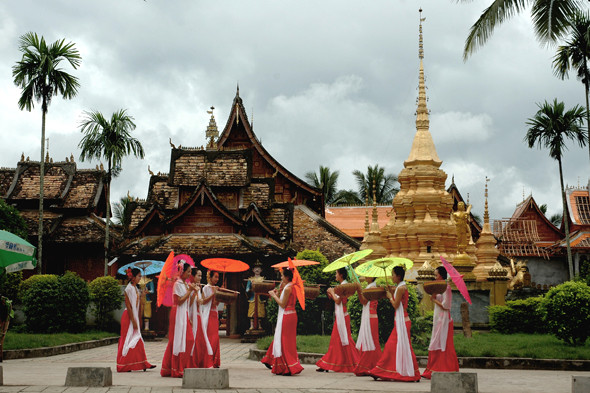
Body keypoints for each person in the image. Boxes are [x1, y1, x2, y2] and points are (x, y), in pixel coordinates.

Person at [369, 266, 420, 382]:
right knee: (398, 347)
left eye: (393, 274)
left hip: (403, 321)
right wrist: (391, 290)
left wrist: (389, 297)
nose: (391, 276)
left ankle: (380, 371)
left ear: (398, 276)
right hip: (401, 321)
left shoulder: (401, 288)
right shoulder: (400, 287)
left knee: (392, 346)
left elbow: (396, 305)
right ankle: (385, 371)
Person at [260, 268, 304, 375]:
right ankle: (287, 364)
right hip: (291, 315)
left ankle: (287, 365)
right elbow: (285, 300)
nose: (281, 277)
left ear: (287, 277)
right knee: (287, 340)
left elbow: (283, 304)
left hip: (287, 316)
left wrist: (274, 296)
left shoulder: (288, 288)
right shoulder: (291, 287)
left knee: (284, 340)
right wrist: (278, 294)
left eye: (282, 275)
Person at [316, 267, 360, 373]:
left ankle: (356, 361)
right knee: (339, 340)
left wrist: (331, 291)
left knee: (341, 339)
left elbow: (338, 301)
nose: (335, 275)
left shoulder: (344, 286)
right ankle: (335, 362)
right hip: (342, 316)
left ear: (341, 275)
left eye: (336, 273)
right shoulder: (343, 286)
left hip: (343, 317)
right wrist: (331, 293)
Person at [421, 266, 459, 379]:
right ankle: (433, 368)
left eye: (436, 275)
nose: (435, 277)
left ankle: (446, 368)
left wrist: (434, 300)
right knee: (436, 342)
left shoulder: (446, 288)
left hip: (444, 320)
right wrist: (433, 296)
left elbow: (446, 305)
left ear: (441, 275)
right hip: (438, 319)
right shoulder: (438, 287)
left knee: (443, 344)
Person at [116, 268, 155, 372]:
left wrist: (142, 296)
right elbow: (129, 306)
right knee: (127, 339)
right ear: (132, 277)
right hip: (128, 316)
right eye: (138, 276)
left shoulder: (135, 289)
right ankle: (123, 363)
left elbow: (138, 304)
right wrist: (133, 320)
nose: (140, 278)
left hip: (133, 316)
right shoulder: (128, 289)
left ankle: (142, 362)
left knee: (137, 338)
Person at [161, 263, 196, 378]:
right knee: (177, 341)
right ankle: (175, 367)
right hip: (177, 313)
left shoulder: (186, 284)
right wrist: (190, 291)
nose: (190, 274)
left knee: (189, 339)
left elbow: (188, 302)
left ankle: (180, 366)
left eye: (191, 272)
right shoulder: (177, 284)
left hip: (184, 312)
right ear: (182, 272)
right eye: (188, 271)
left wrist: (193, 292)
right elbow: (179, 301)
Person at [353, 276, 382, 376]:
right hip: (369, 316)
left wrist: (359, 289)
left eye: (368, 275)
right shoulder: (370, 287)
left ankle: (375, 366)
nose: (365, 276)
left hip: (371, 317)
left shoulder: (372, 288)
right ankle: (372, 366)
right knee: (370, 341)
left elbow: (364, 301)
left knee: (372, 341)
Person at [189, 268, 214, 368]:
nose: (200, 278)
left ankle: (201, 362)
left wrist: (201, 299)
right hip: (193, 315)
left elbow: (201, 301)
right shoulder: (190, 287)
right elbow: (189, 302)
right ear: (193, 276)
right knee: (196, 339)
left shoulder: (198, 287)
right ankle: (194, 362)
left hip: (199, 315)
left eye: (201, 276)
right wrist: (194, 292)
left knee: (201, 340)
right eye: (198, 275)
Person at [200, 270, 221, 368]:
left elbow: (215, 304)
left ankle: (214, 360)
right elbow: (204, 302)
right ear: (210, 277)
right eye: (215, 277)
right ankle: (208, 360)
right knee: (211, 338)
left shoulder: (215, 288)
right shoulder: (206, 288)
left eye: (218, 277)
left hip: (214, 314)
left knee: (216, 338)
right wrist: (214, 294)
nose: (217, 279)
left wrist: (219, 296)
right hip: (208, 315)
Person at [245, 261, 266, 330]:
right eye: (255, 268)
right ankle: (251, 325)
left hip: (260, 297)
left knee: (260, 312)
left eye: (258, 268)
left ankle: (260, 325)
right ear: (253, 270)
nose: (257, 270)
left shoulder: (263, 279)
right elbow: (247, 289)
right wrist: (251, 288)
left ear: (261, 270)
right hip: (252, 297)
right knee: (251, 312)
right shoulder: (250, 279)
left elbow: (265, 289)